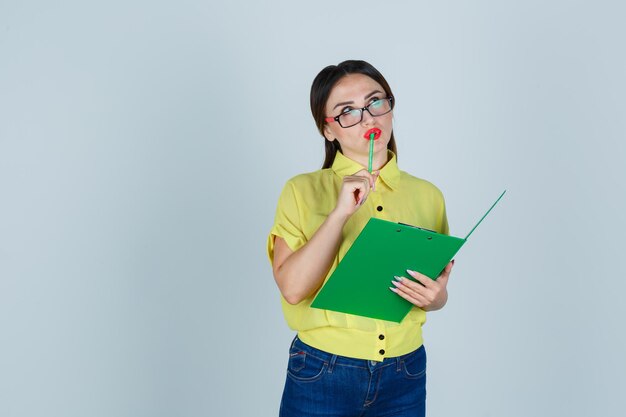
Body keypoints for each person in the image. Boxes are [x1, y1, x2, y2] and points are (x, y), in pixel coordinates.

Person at [267, 60, 454, 417]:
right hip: (323, 371)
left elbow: (434, 291)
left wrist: (437, 298)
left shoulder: (428, 195)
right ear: (328, 130)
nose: (368, 119)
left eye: (375, 102)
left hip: (406, 370)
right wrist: (339, 215)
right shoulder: (301, 190)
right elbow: (292, 289)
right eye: (347, 112)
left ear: (390, 107)